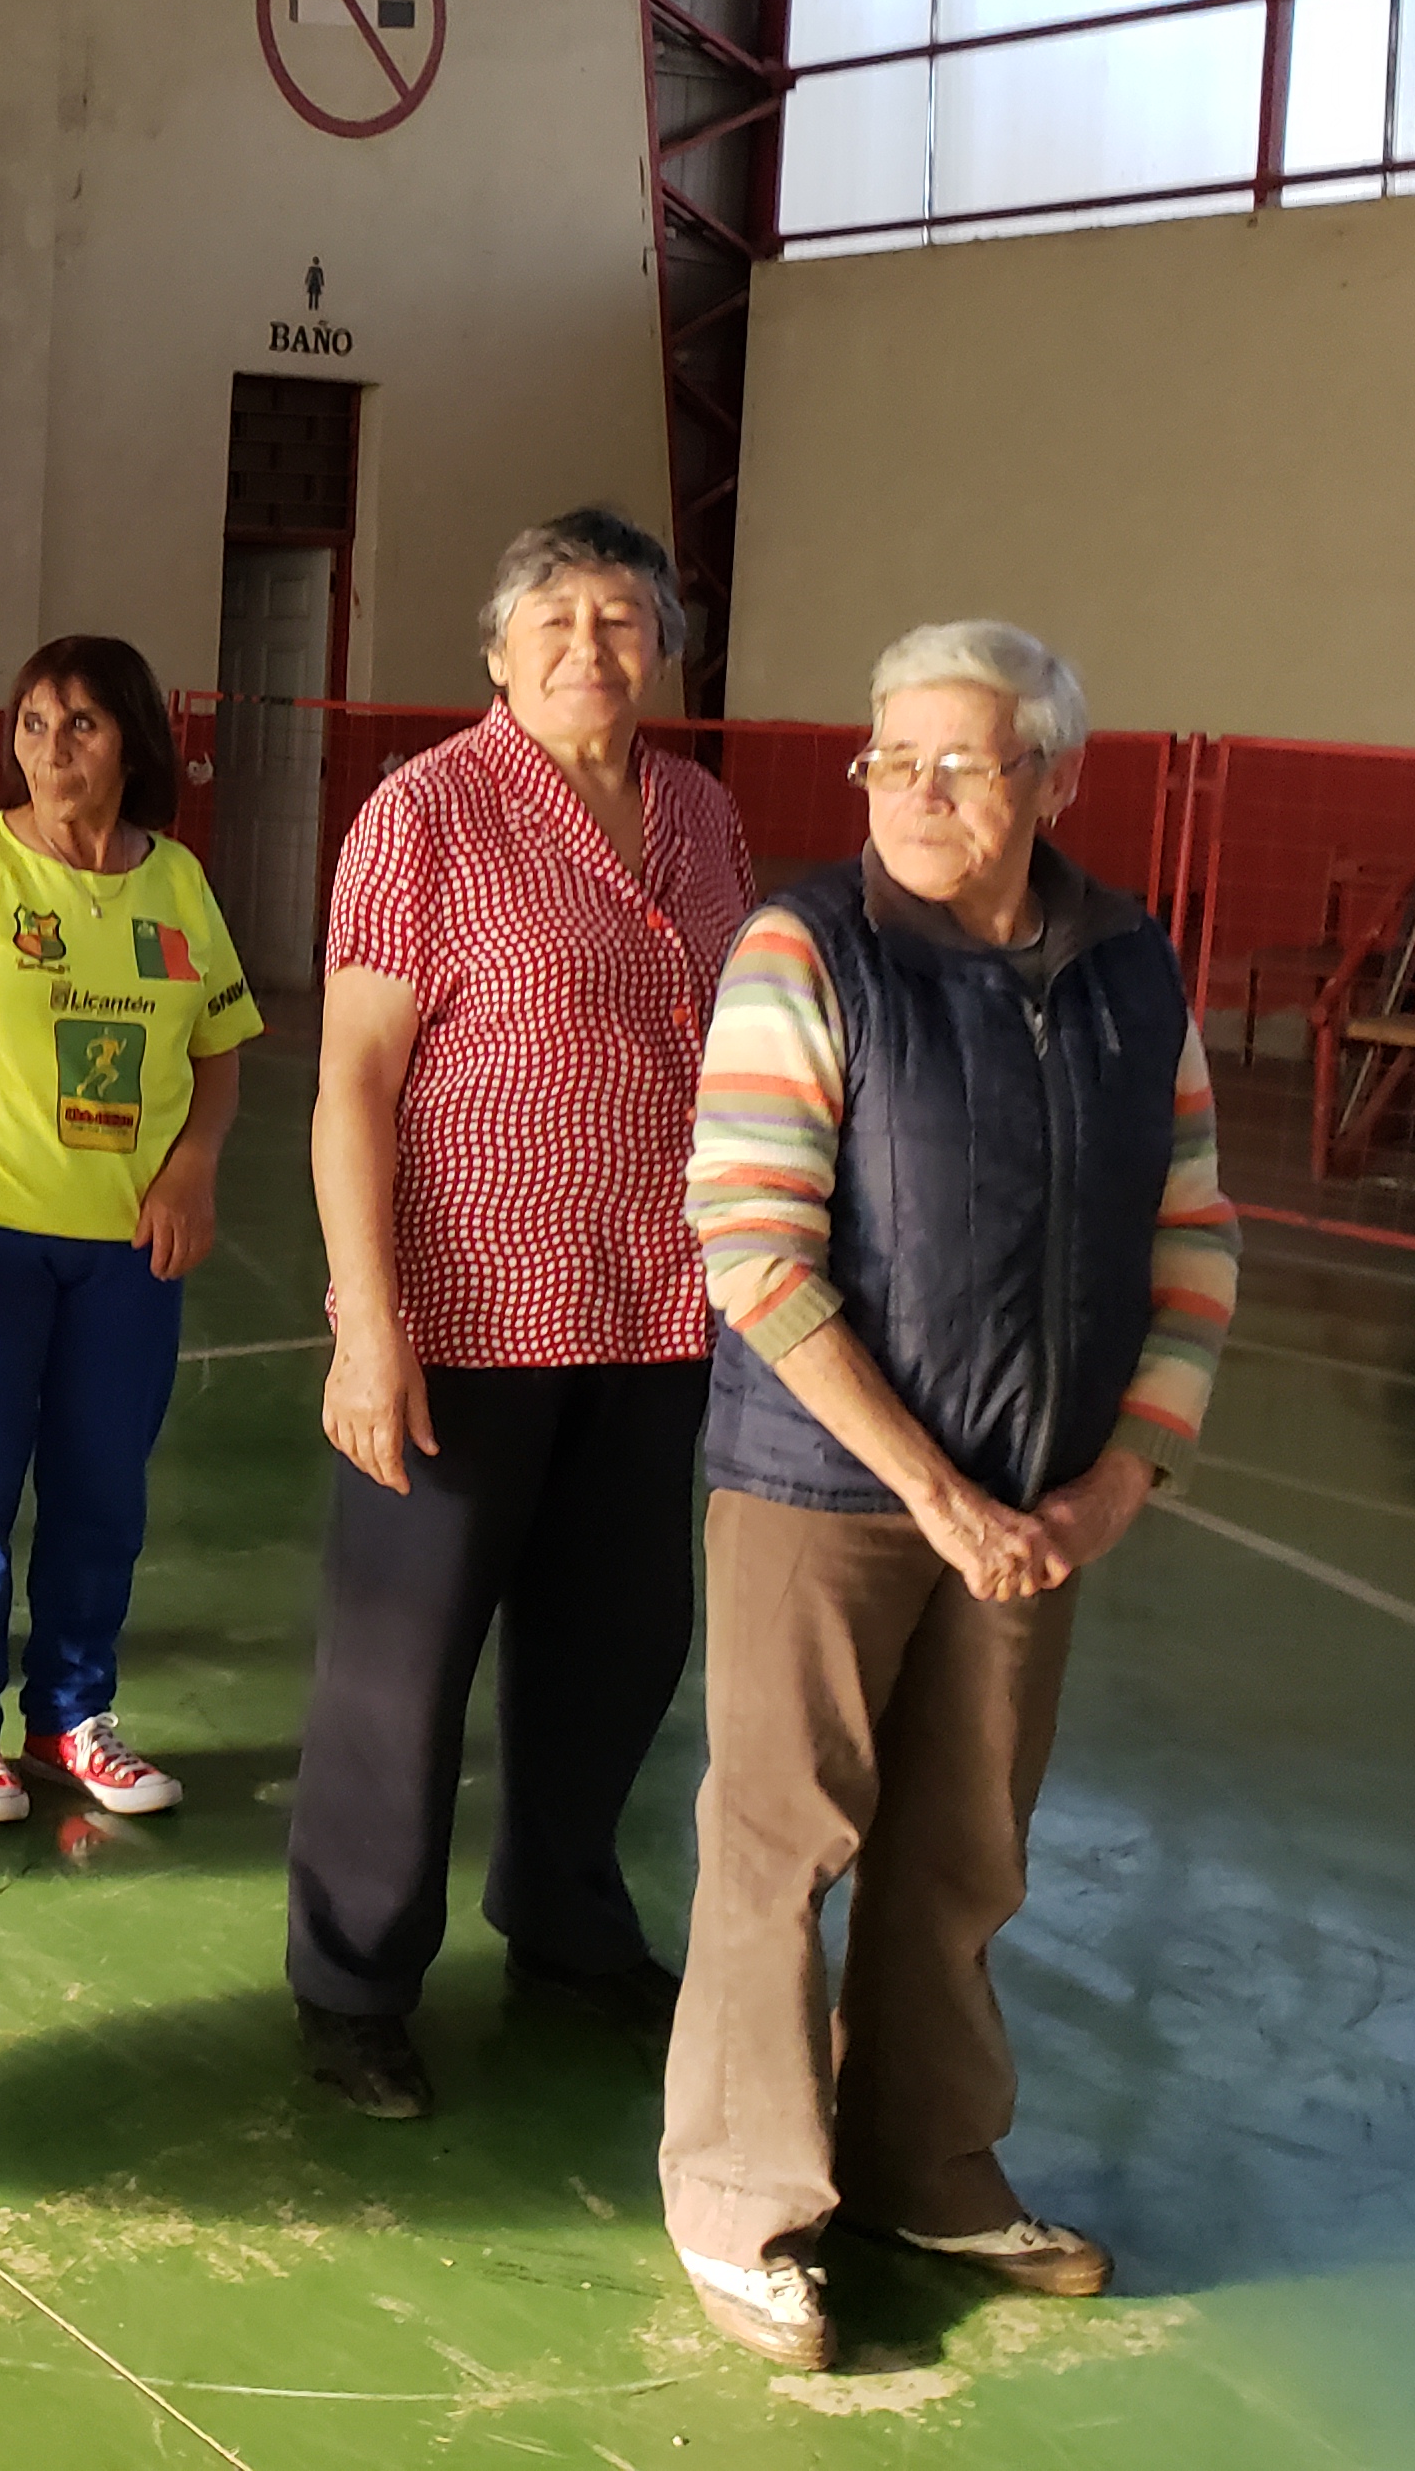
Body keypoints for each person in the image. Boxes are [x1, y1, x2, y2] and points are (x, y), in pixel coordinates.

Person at [660, 621, 1235, 2374]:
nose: (911, 792)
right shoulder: (804, 947)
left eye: (957, 762)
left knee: (964, 1844)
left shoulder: (1132, 966)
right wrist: (929, 1486)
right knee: (782, 1839)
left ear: (1053, 779)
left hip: (1037, 1503)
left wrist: (1114, 1482)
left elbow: (1194, 1236)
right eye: (887, 758)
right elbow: (753, 1246)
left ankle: (926, 2167)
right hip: (825, 1486)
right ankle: (743, 2198)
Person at [286, 506, 754, 2122]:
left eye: (619, 617)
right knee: (401, 1665)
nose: (585, 646)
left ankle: (566, 1921)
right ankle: (352, 1981)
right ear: (496, 651)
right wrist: (368, 1322)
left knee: (616, 1646)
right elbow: (353, 1081)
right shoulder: (424, 815)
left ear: (662, 645)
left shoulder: (702, 816)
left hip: (656, 1306)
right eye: (551, 618)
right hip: (466, 1314)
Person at [0, 637, 259, 1830]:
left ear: (134, 742)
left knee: (102, 1496)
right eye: (35, 723)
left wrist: (191, 1171)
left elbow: (219, 1054)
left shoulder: (178, 885)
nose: (52, 749)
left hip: (127, 1259)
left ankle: (69, 1717)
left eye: (82, 724)